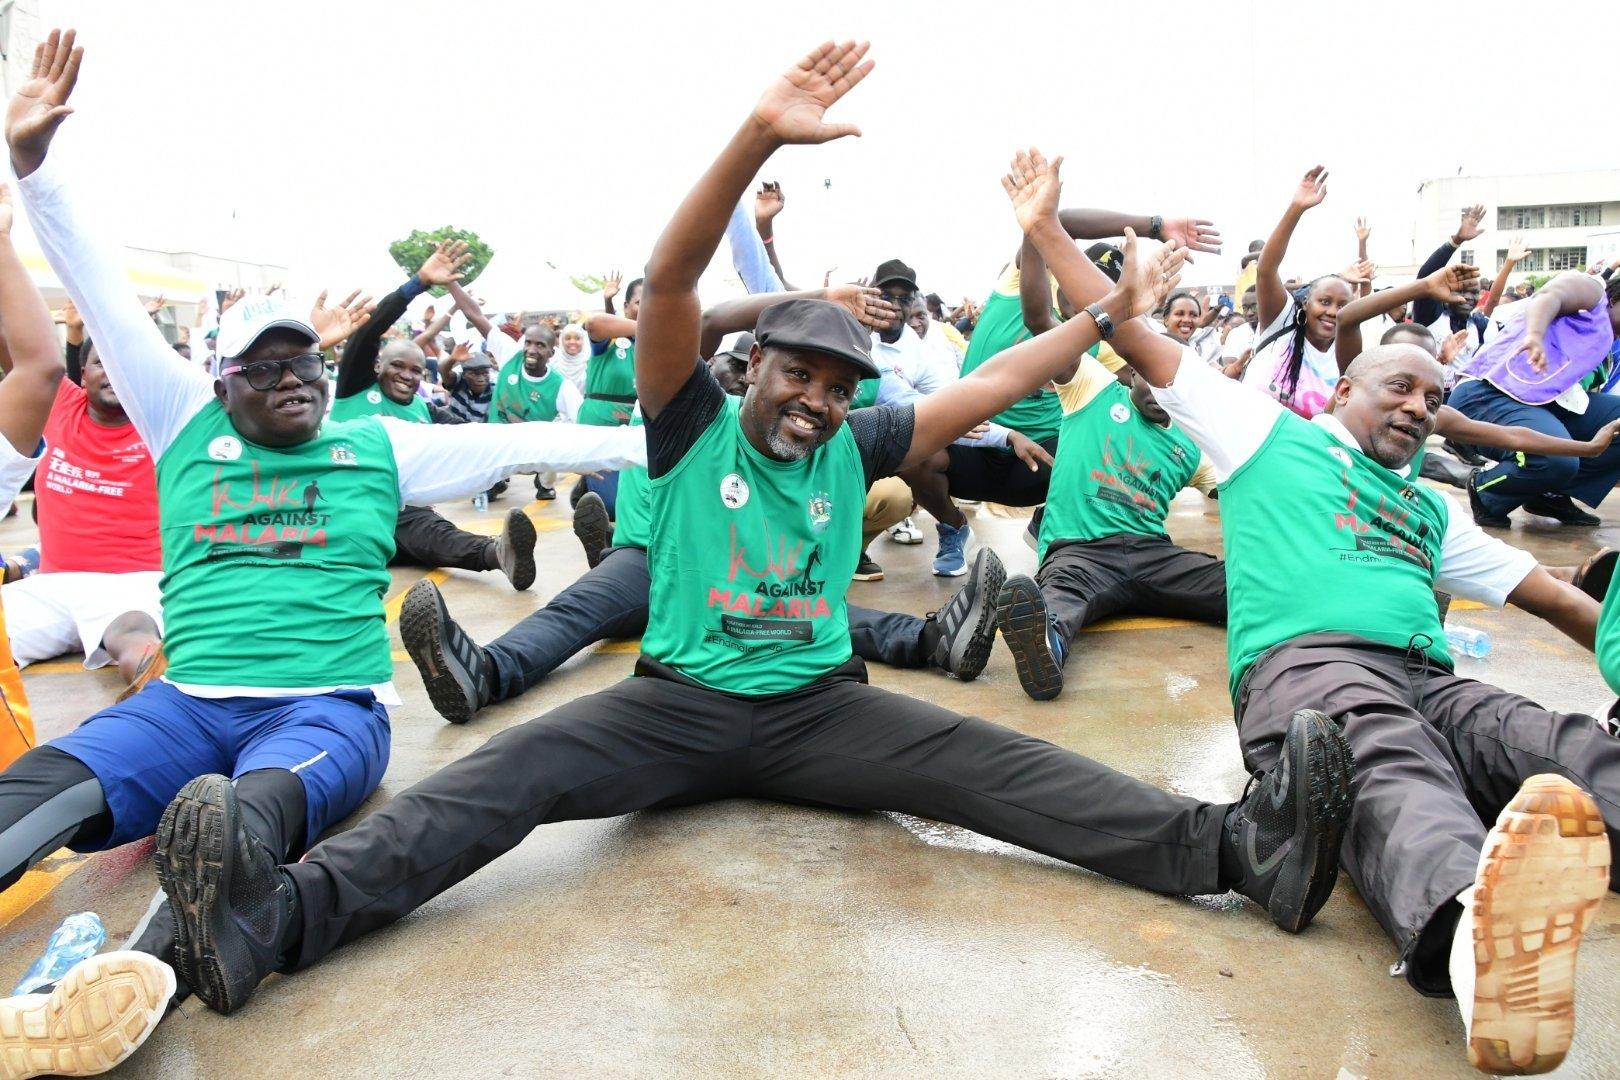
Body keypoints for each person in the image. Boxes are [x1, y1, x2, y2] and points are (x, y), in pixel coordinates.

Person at [143, 49, 1350, 1071]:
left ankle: (1238, 848)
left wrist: (1103, 315)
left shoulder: (857, 443)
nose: (815, 401)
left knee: (1001, 767)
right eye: (797, 375)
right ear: (752, 366)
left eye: (836, 387)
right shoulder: (688, 423)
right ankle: (272, 918)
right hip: (672, 707)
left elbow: (991, 383)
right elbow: (672, 278)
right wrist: (755, 138)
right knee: (496, 780)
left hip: (820, 709)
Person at [0, 31, 648, 1072]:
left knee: (234, 827)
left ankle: (125, 983)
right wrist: (34, 165)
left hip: (326, 711)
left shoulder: (376, 443)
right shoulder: (180, 418)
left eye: (302, 359)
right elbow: (101, 292)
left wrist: (688, 436)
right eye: (262, 367)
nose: (291, 377)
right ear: (221, 383)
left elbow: (543, 440)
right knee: (42, 791)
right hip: (183, 703)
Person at [1010, 146, 1612, 1076]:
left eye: (1433, 398)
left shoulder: (1429, 510)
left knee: (1552, 741)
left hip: (1430, 677)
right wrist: (1047, 230)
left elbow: (1559, 599)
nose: (1418, 407)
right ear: (1343, 391)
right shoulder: (1267, 435)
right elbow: (1129, 330)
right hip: (1311, 670)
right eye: (1399, 387)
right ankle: (1480, 952)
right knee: (1390, 767)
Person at [400, 284, 1004, 724]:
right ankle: (487, 671)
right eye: (724, 366)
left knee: (799, 618)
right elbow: (703, 318)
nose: (726, 375)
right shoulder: (680, 402)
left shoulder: (755, 422)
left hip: (724, 572)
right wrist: (817, 295)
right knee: (574, 614)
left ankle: (933, 641)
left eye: (732, 368)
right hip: (647, 558)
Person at [993, 352, 1222, 701]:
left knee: (1239, 586)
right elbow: (1042, 327)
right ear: (1133, 372)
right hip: (1081, 553)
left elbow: (1243, 491)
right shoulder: (1091, 388)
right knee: (1056, 602)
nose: (1160, 393)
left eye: (1173, 387)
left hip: (1153, 556)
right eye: (1152, 379)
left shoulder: (1191, 448)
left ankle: (1288, 609)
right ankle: (1046, 648)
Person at [329, 246, 541, 587]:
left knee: (428, 531)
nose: (407, 375)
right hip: (348, 508)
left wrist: (545, 454)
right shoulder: (355, 387)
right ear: (378, 366)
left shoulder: (423, 410)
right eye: (397, 366)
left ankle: (499, 553)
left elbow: (474, 435)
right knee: (412, 530)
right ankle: (493, 552)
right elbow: (369, 332)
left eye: (416, 370)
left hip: (401, 513)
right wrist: (418, 283)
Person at [1448, 272, 1620, 528]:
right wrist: (1535, 335)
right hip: (1486, 394)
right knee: (1556, 458)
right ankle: (1487, 491)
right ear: (1615, 299)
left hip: (1544, 404)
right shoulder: (1594, 292)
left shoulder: (1609, 335)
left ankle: (1547, 493)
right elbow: (1549, 296)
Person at [1242, 166, 1356, 417]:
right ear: (1305, 303)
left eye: (1342, 305)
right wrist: (1297, 208)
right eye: (1324, 301)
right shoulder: (1281, 323)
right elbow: (1266, 270)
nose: (1332, 311)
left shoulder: (1346, 357)